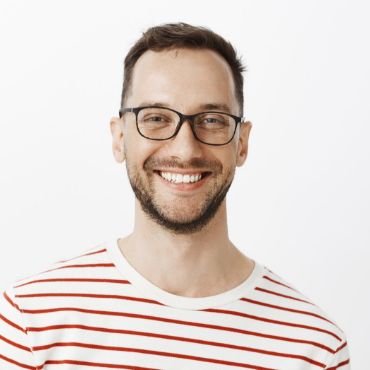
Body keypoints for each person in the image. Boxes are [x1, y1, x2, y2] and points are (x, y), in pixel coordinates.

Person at [0, 22, 350, 369]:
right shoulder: (30, 321)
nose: (184, 150)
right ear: (119, 138)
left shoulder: (313, 347)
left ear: (241, 143)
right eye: (156, 118)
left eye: (212, 120)